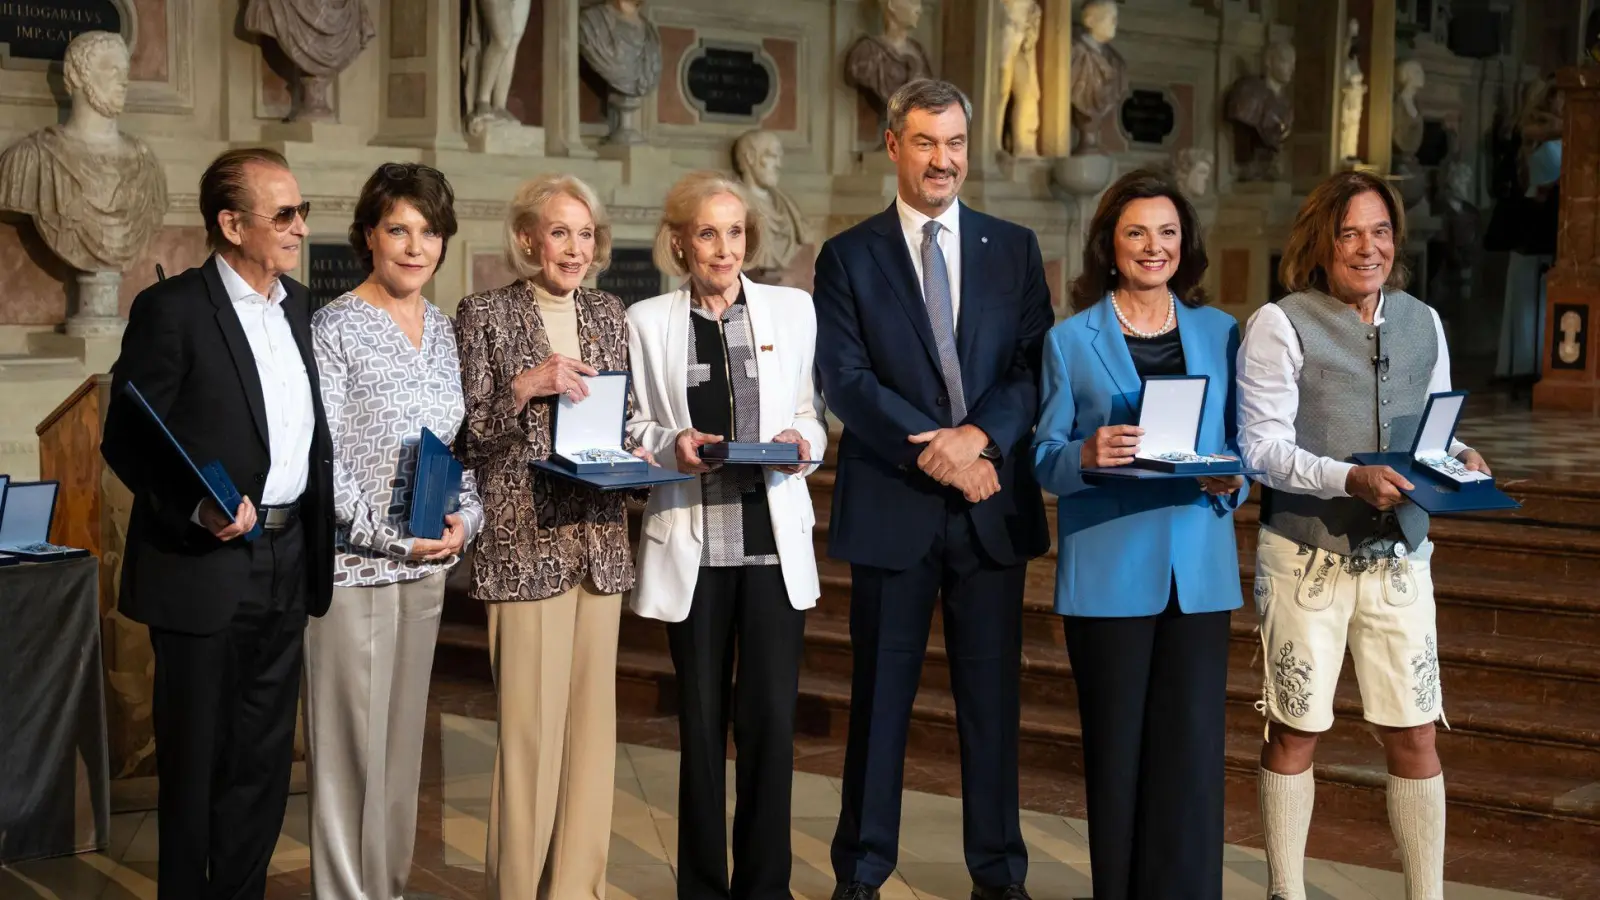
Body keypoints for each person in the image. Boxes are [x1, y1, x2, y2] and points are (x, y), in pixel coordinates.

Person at [814, 78, 1053, 900]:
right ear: (893, 146)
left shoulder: (1013, 248)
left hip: (990, 505)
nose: (942, 160)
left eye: (954, 143)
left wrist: (979, 439)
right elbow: (845, 382)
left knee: (993, 707)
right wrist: (943, 453)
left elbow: (1031, 367)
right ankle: (862, 872)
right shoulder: (848, 255)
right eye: (925, 142)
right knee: (880, 703)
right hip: (894, 507)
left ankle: (999, 875)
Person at [1239, 170, 1491, 900]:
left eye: (1379, 231)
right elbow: (1261, 448)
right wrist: (1346, 478)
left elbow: (1434, 431)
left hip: (1401, 558)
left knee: (1415, 732)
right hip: (1306, 556)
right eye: (1349, 232)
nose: (1367, 246)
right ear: (1321, 243)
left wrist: (1459, 457)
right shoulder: (1281, 323)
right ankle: (1286, 891)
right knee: (1296, 729)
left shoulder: (1424, 321)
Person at [100, 147, 334, 900]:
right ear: (231, 224)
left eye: (303, 212)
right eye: (285, 214)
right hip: (203, 562)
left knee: (264, 763)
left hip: (287, 554)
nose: (300, 227)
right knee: (197, 764)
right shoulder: (172, 311)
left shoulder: (298, 305)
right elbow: (127, 438)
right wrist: (197, 507)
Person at [1031, 169, 1245, 900]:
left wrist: (1232, 479)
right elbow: (1043, 458)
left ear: (1185, 246)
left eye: (1167, 233)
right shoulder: (1068, 340)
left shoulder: (1220, 331)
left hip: (1200, 568)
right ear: (1110, 246)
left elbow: (1240, 444)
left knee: (1191, 756)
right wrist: (1084, 456)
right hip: (1109, 571)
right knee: (1117, 754)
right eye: (1136, 233)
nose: (1153, 247)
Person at [625, 170, 827, 900]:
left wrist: (801, 441)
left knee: (770, 725)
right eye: (707, 233)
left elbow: (810, 414)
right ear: (679, 241)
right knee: (702, 730)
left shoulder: (791, 310)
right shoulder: (646, 322)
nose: (724, 248)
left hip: (772, 546)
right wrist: (670, 443)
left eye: (735, 231)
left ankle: (764, 888)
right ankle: (703, 889)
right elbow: (634, 427)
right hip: (694, 548)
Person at [454, 173, 650, 900]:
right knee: (530, 742)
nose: (573, 247)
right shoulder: (485, 313)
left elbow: (619, 423)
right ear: (529, 239)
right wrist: (523, 387)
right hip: (523, 544)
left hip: (597, 545)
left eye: (586, 233)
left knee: (592, 740)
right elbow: (467, 434)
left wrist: (643, 460)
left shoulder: (608, 311)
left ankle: (577, 890)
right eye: (559, 232)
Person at [304, 162, 485, 900]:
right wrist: (385, 537)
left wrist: (464, 521)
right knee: (349, 757)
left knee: (403, 751)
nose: (416, 247)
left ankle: (390, 887)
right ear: (369, 237)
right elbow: (327, 460)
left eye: (429, 231)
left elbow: (459, 447)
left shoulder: (443, 331)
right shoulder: (334, 325)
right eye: (399, 230)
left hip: (427, 569)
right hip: (355, 572)